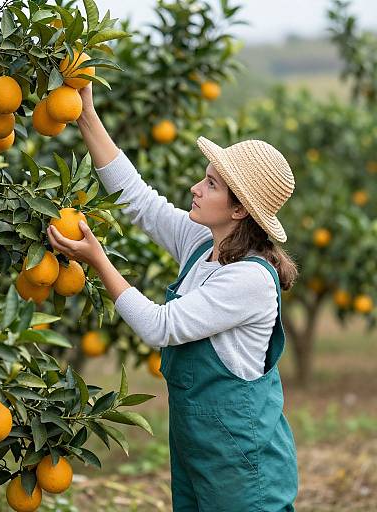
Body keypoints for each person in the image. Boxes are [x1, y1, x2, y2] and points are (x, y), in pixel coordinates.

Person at [46, 83, 299, 512]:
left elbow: (159, 327)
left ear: (239, 210)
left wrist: (97, 259)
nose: (196, 188)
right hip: (197, 445)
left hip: (241, 458)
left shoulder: (250, 280)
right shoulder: (203, 241)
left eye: (211, 184)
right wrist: (86, 115)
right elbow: (138, 201)